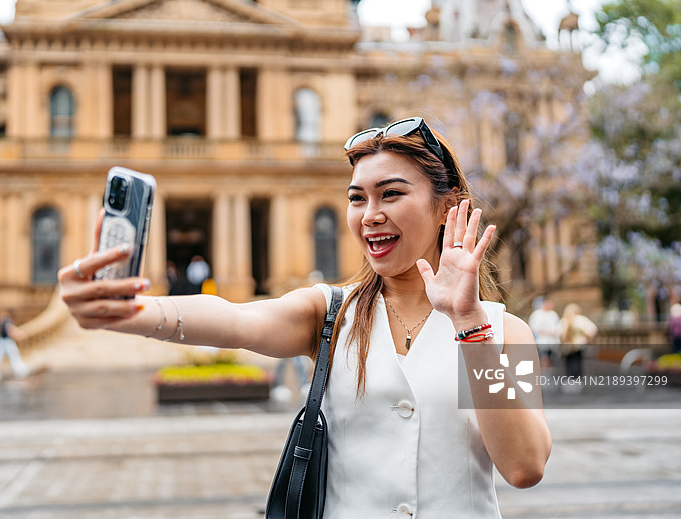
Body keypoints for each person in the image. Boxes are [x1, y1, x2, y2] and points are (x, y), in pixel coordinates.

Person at [59, 116, 551, 517]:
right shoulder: (331, 313)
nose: (370, 214)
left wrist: (468, 323)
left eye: (392, 194)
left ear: (447, 207)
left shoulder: (504, 329)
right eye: (357, 198)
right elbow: (235, 319)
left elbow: (525, 466)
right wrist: (130, 310)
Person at [0, 309, 30, 381]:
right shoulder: (6, 321)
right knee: (6, 355)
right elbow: (11, 330)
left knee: (2, 355)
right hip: (5, 341)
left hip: (3, 341)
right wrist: (20, 334)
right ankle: (19, 369)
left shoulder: (4, 320)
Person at [559, 303, 597, 379]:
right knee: (576, 362)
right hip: (575, 345)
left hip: (572, 346)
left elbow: (559, 333)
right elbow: (593, 329)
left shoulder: (570, 320)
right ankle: (576, 379)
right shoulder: (578, 319)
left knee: (571, 363)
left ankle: (571, 379)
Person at [529, 297, 561, 370]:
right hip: (542, 341)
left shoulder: (553, 314)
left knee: (552, 359)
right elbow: (534, 327)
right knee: (543, 358)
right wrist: (546, 331)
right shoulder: (537, 314)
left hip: (552, 341)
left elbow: (558, 326)